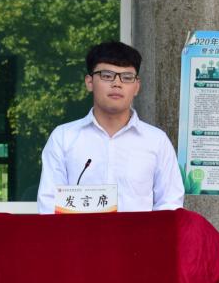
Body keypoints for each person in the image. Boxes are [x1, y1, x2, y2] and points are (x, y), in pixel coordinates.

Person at [37, 41, 184, 213]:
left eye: (127, 77)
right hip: (79, 232)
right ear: (89, 82)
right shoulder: (64, 137)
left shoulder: (156, 141)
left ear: (137, 86)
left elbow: (170, 204)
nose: (117, 83)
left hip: (139, 232)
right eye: (107, 76)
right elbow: (49, 204)